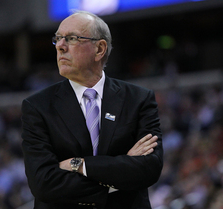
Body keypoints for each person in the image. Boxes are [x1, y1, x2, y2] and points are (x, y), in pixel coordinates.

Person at [21, 10, 163, 209]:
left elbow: (149, 169)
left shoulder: (138, 99)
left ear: (99, 49)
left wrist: (78, 165)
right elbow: (44, 183)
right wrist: (120, 177)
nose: (60, 46)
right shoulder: (37, 106)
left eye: (71, 38)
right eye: (58, 38)